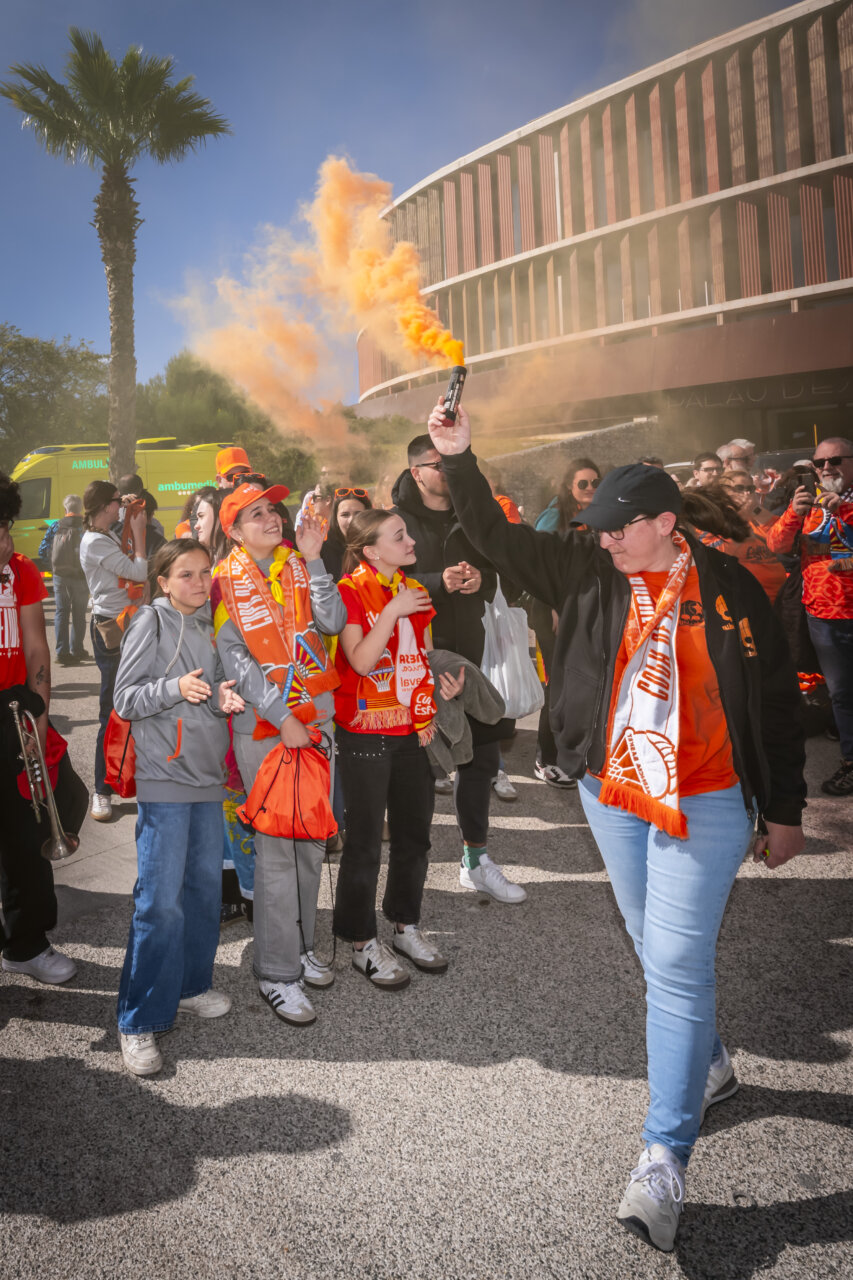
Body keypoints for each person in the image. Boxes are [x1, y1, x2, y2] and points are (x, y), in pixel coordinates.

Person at [427, 399, 806, 1254]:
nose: (600, 539)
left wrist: (781, 808)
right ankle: (707, 1063)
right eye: (594, 529)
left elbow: (775, 702)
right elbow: (491, 534)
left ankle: (662, 1157)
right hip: (611, 789)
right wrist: (458, 456)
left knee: (673, 960)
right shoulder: (584, 569)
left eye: (616, 529)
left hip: (706, 796)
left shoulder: (729, 585)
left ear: (664, 524)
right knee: (645, 935)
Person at [213, 484, 346, 1026]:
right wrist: (284, 715)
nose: (271, 518)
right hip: (267, 728)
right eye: (255, 514)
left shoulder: (301, 562)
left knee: (311, 842)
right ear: (234, 530)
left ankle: (301, 943)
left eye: (272, 509)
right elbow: (235, 659)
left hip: (316, 719)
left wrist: (317, 561)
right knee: (274, 853)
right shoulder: (223, 581)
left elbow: (333, 622)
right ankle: (276, 972)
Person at [113, 539, 244, 1076]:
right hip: (164, 780)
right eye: (185, 574)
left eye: (203, 573)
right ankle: (138, 1021)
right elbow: (124, 698)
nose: (197, 581)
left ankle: (191, 986)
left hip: (206, 779)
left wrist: (219, 697)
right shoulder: (152, 621)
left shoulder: (208, 623)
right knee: (159, 903)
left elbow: (205, 691)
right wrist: (175, 687)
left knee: (202, 892)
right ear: (162, 580)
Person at [332, 509, 464, 986]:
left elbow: (421, 657)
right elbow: (362, 661)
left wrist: (439, 686)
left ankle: (405, 925)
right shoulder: (348, 591)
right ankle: (361, 942)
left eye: (407, 534)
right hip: (364, 730)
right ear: (370, 551)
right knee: (365, 843)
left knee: (414, 837)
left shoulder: (417, 593)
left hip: (413, 728)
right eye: (399, 536)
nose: (410, 542)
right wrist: (391, 611)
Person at [392, 435, 525, 905]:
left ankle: (476, 862)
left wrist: (481, 579)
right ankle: (410, 879)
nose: (447, 473)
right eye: (438, 465)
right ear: (416, 473)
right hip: (418, 661)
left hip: (477, 652)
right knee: (423, 769)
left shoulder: (474, 511)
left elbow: (508, 571)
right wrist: (437, 582)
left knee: (481, 759)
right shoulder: (397, 522)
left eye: (452, 465)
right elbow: (380, 584)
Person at [0, 472, 82, 985]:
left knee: (28, 830)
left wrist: (39, 719)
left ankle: (27, 945)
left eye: (5, 525)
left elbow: (36, 646)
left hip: (13, 713)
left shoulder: (23, 571)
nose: (4, 540)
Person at [765, 437, 853, 795]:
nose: (826, 468)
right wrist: (793, 513)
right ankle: (851, 761)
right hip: (824, 618)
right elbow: (777, 545)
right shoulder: (811, 505)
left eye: (835, 460)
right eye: (819, 464)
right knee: (842, 695)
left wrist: (844, 512)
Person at [531, 457, 603, 789]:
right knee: (557, 683)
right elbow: (539, 566)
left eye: (595, 483)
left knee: (583, 681)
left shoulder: (600, 517)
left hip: (585, 611)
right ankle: (546, 757)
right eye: (583, 484)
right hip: (553, 612)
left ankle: (575, 752)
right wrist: (554, 607)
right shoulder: (554, 517)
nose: (590, 489)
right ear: (569, 487)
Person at [80, 480, 148, 823]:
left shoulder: (105, 534)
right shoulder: (94, 542)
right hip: (112, 629)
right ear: (105, 507)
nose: (120, 507)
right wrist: (139, 532)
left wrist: (132, 514)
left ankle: (137, 778)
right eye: (117, 503)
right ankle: (101, 790)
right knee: (112, 708)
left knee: (143, 702)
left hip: (130, 623)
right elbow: (138, 570)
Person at [49, 494, 89, 666]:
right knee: (79, 614)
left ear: (65, 509)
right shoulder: (86, 527)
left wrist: (54, 566)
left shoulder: (55, 526)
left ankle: (62, 652)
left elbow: (43, 549)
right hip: (80, 576)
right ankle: (77, 649)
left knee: (61, 612)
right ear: (80, 509)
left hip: (60, 576)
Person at [321, 487, 373, 583]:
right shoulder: (322, 553)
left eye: (358, 514)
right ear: (336, 519)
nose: (352, 520)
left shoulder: (381, 546)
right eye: (345, 515)